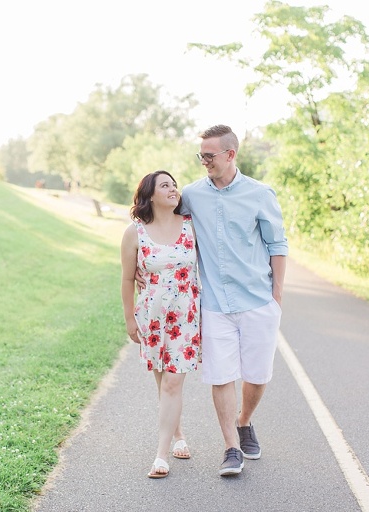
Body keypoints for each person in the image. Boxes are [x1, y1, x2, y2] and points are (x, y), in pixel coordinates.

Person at [147, 125, 287, 476]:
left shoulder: (260, 193)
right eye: (201, 156)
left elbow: (277, 245)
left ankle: (244, 421)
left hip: (257, 300)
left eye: (210, 155)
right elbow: (160, 216)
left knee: (257, 375)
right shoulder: (192, 194)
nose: (204, 161)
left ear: (230, 154)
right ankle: (231, 448)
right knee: (221, 376)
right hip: (213, 304)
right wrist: (141, 260)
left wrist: (277, 296)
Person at [120, 170, 201, 479]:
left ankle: (161, 456)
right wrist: (130, 319)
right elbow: (127, 279)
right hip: (151, 317)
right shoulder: (135, 233)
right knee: (162, 381)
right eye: (164, 185)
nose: (172, 189)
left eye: (174, 185)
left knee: (172, 382)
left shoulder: (192, 227)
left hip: (185, 316)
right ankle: (178, 433)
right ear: (150, 195)